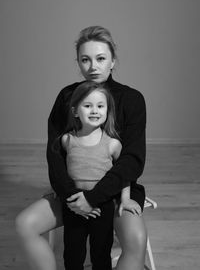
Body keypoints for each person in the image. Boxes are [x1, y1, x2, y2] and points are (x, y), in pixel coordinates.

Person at [15, 25, 147, 270]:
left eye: (100, 58)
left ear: (113, 61)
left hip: (117, 192)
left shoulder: (132, 99)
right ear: (78, 62)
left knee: (136, 240)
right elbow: (55, 155)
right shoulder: (67, 97)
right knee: (25, 224)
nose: (93, 66)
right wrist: (71, 197)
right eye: (85, 59)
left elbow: (133, 160)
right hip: (72, 191)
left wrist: (93, 198)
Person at [60, 80, 124, 270]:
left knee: (101, 251)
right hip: (73, 203)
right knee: (73, 252)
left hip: (102, 205)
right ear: (75, 111)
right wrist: (57, 190)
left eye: (100, 106)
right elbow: (63, 169)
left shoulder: (112, 144)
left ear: (107, 111)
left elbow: (123, 174)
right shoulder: (67, 140)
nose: (94, 110)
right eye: (87, 106)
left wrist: (126, 198)